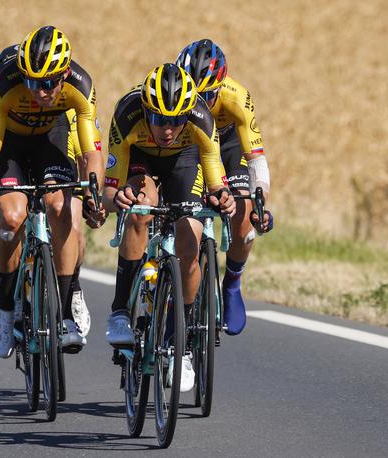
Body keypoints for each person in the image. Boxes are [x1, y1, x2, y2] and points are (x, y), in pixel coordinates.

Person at [102, 63, 235, 392]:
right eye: (161, 119)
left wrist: (224, 199)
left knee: (191, 237)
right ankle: (120, 311)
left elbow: (216, 180)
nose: (169, 128)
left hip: (184, 161)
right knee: (139, 211)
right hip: (140, 158)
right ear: (147, 110)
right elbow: (108, 190)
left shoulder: (202, 120)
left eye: (177, 120)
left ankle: (181, 342)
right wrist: (118, 196)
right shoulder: (127, 113)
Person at [0, 26, 105, 358]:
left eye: (48, 83)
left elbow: (91, 153)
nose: (41, 91)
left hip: (52, 137)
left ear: (64, 74)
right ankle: (5, 304)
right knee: (12, 215)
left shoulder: (80, 84)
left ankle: (62, 311)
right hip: (11, 144)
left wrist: (93, 194)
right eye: (33, 82)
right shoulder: (6, 83)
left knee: (61, 209)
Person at [176, 39, 273, 336]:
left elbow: (256, 158)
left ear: (220, 86)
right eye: (195, 94)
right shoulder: (176, 91)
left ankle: (232, 282)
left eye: (207, 94)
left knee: (243, 216)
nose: (200, 102)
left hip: (227, 146)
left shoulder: (237, 97)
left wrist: (260, 204)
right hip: (189, 144)